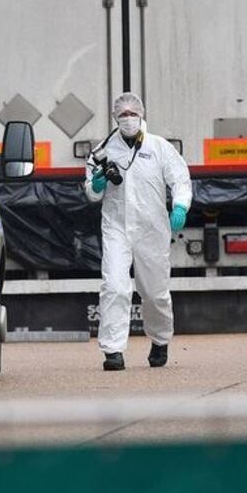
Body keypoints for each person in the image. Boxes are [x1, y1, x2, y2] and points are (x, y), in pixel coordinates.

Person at [85, 92, 192, 372]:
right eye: (123, 114)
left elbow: (180, 179)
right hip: (116, 228)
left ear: (142, 115)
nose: (129, 118)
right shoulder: (103, 151)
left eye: (133, 113)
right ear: (114, 118)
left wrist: (180, 207)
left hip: (152, 229)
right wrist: (96, 185)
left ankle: (159, 340)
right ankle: (113, 351)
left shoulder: (159, 148)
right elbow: (91, 192)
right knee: (115, 287)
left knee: (154, 292)